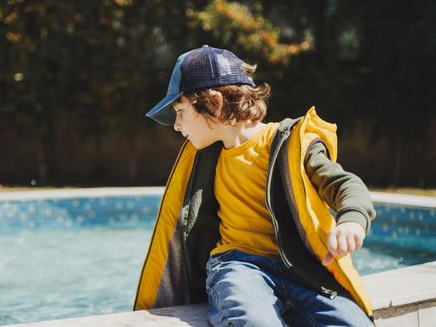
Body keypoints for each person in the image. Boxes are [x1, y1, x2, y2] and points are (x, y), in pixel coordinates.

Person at [134, 45, 376, 327]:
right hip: (238, 265)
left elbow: (344, 183)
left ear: (214, 103)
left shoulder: (290, 144)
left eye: (181, 111)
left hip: (300, 269)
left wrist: (352, 221)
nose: (176, 125)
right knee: (253, 320)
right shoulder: (205, 159)